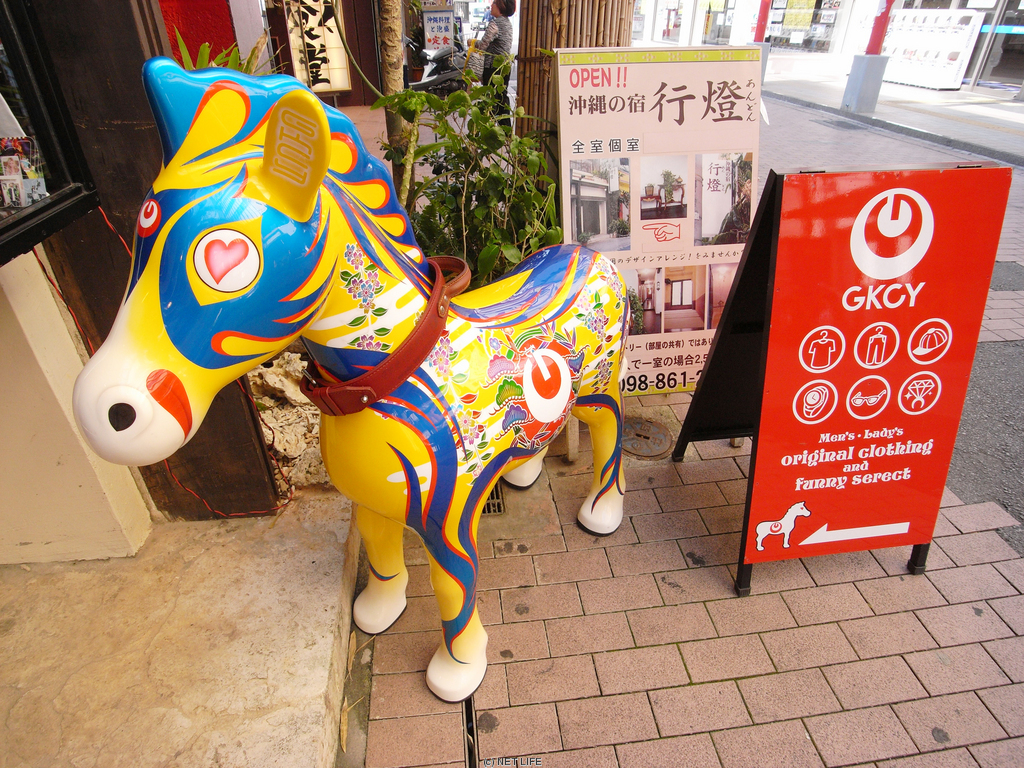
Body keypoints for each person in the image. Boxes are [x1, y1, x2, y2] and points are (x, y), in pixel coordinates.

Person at [469, 0, 515, 121]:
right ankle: (505, 128)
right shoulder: (508, 23)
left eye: (494, 3)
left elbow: (482, 45)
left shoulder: (495, 24)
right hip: (504, 67)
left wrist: (472, 42)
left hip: (493, 68)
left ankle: (489, 127)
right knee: (501, 98)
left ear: (500, 6)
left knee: (490, 100)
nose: (491, 5)